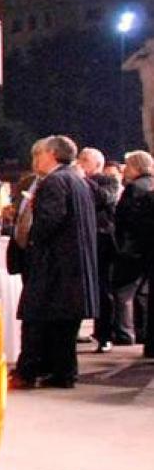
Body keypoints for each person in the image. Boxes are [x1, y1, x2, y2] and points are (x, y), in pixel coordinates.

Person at [11, 135, 97, 388]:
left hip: (56, 269)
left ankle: (34, 371)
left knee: (40, 322)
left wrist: (31, 244)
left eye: (39, 155)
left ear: (52, 154)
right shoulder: (77, 181)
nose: (35, 160)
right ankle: (62, 373)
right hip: (72, 270)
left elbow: (49, 221)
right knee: (63, 329)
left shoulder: (55, 182)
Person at [78, 147, 126, 350]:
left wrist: (85, 180)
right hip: (82, 241)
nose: (80, 163)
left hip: (102, 241)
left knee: (102, 288)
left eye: (85, 160)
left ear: (97, 164)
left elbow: (105, 198)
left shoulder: (108, 180)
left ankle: (105, 334)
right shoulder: (75, 182)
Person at [114, 151, 154, 352]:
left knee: (123, 292)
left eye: (128, 165)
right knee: (144, 293)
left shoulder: (134, 189)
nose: (125, 169)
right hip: (145, 249)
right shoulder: (150, 186)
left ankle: (124, 333)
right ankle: (142, 332)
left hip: (133, 249)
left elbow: (123, 220)